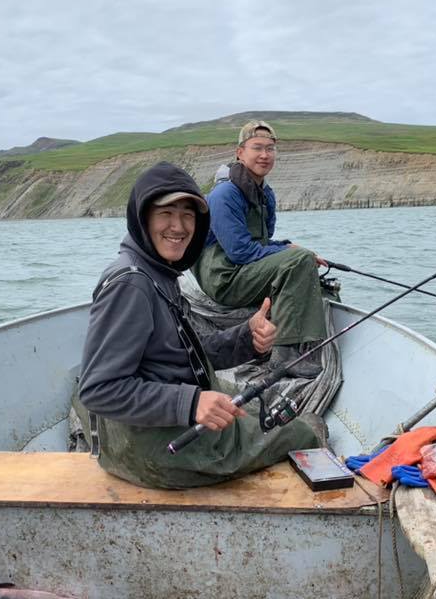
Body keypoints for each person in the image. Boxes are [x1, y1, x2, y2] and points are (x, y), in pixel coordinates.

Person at [76, 161, 324, 489]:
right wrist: (191, 404)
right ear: (142, 217)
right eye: (166, 213)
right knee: (307, 429)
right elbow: (98, 390)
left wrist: (247, 338)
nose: (179, 226)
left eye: (188, 215)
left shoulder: (156, 271)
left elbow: (181, 352)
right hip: (156, 452)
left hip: (151, 430)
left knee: (260, 407)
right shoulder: (131, 285)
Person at [192, 121, 328, 377]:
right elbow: (240, 252)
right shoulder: (225, 194)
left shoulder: (266, 194)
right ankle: (284, 355)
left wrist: (288, 247)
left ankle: (308, 342)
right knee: (298, 260)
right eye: (257, 148)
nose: (265, 155)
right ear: (240, 153)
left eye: (270, 148)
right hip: (224, 277)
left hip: (244, 269)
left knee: (305, 264)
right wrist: (292, 255)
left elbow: (262, 244)